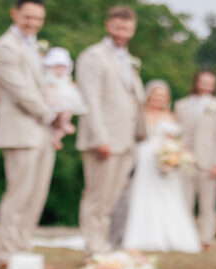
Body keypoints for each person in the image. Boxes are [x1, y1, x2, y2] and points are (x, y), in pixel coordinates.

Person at [0, 0, 59, 269]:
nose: (33, 23)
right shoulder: (5, 47)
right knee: (18, 196)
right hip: (20, 131)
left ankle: (24, 253)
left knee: (35, 197)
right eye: (28, 17)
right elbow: (21, 91)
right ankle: (6, 255)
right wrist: (51, 115)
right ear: (14, 14)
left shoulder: (35, 47)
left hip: (42, 132)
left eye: (38, 18)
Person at [76, 6, 147, 256]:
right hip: (104, 141)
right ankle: (93, 249)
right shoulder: (93, 57)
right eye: (117, 27)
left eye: (127, 28)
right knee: (96, 198)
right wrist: (99, 138)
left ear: (133, 30)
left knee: (110, 201)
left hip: (126, 142)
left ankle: (101, 245)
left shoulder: (128, 60)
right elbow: (90, 100)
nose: (122, 32)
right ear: (108, 25)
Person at [121, 81, 201, 253]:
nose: (158, 99)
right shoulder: (140, 114)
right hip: (143, 158)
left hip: (163, 161)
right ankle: (140, 236)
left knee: (168, 195)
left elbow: (175, 141)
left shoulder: (170, 116)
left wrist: (172, 158)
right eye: (155, 95)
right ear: (148, 96)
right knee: (142, 195)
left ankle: (171, 236)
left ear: (167, 99)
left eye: (162, 96)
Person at [175, 70, 216, 251]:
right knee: (184, 202)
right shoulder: (181, 105)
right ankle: (186, 237)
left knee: (208, 204)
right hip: (185, 161)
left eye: (210, 82)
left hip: (208, 162)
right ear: (196, 82)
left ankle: (206, 239)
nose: (207, 85)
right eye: (203, 81)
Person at [42, 47, 88, 148]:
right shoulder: (50, 79)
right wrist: (49, 103)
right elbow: (49, 92)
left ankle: (57, 137)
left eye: (62, 67)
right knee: (63, 116)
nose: (60, 70)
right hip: (57, 104)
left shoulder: (65, 78)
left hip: (66, 103)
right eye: (57, 66)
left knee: (68, 113)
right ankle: (62, 126)